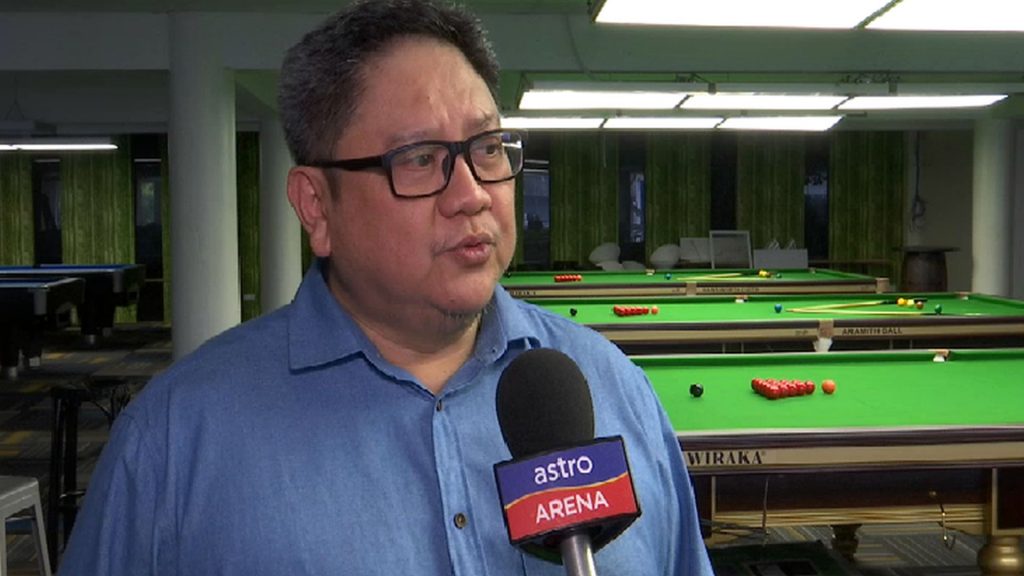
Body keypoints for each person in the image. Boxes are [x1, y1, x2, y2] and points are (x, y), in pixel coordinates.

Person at [59, 1, 714, 574]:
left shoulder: (613, 386)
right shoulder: (173, 441)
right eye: (420, 159)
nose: (473, 194)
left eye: (488, 147)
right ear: (316, 206)